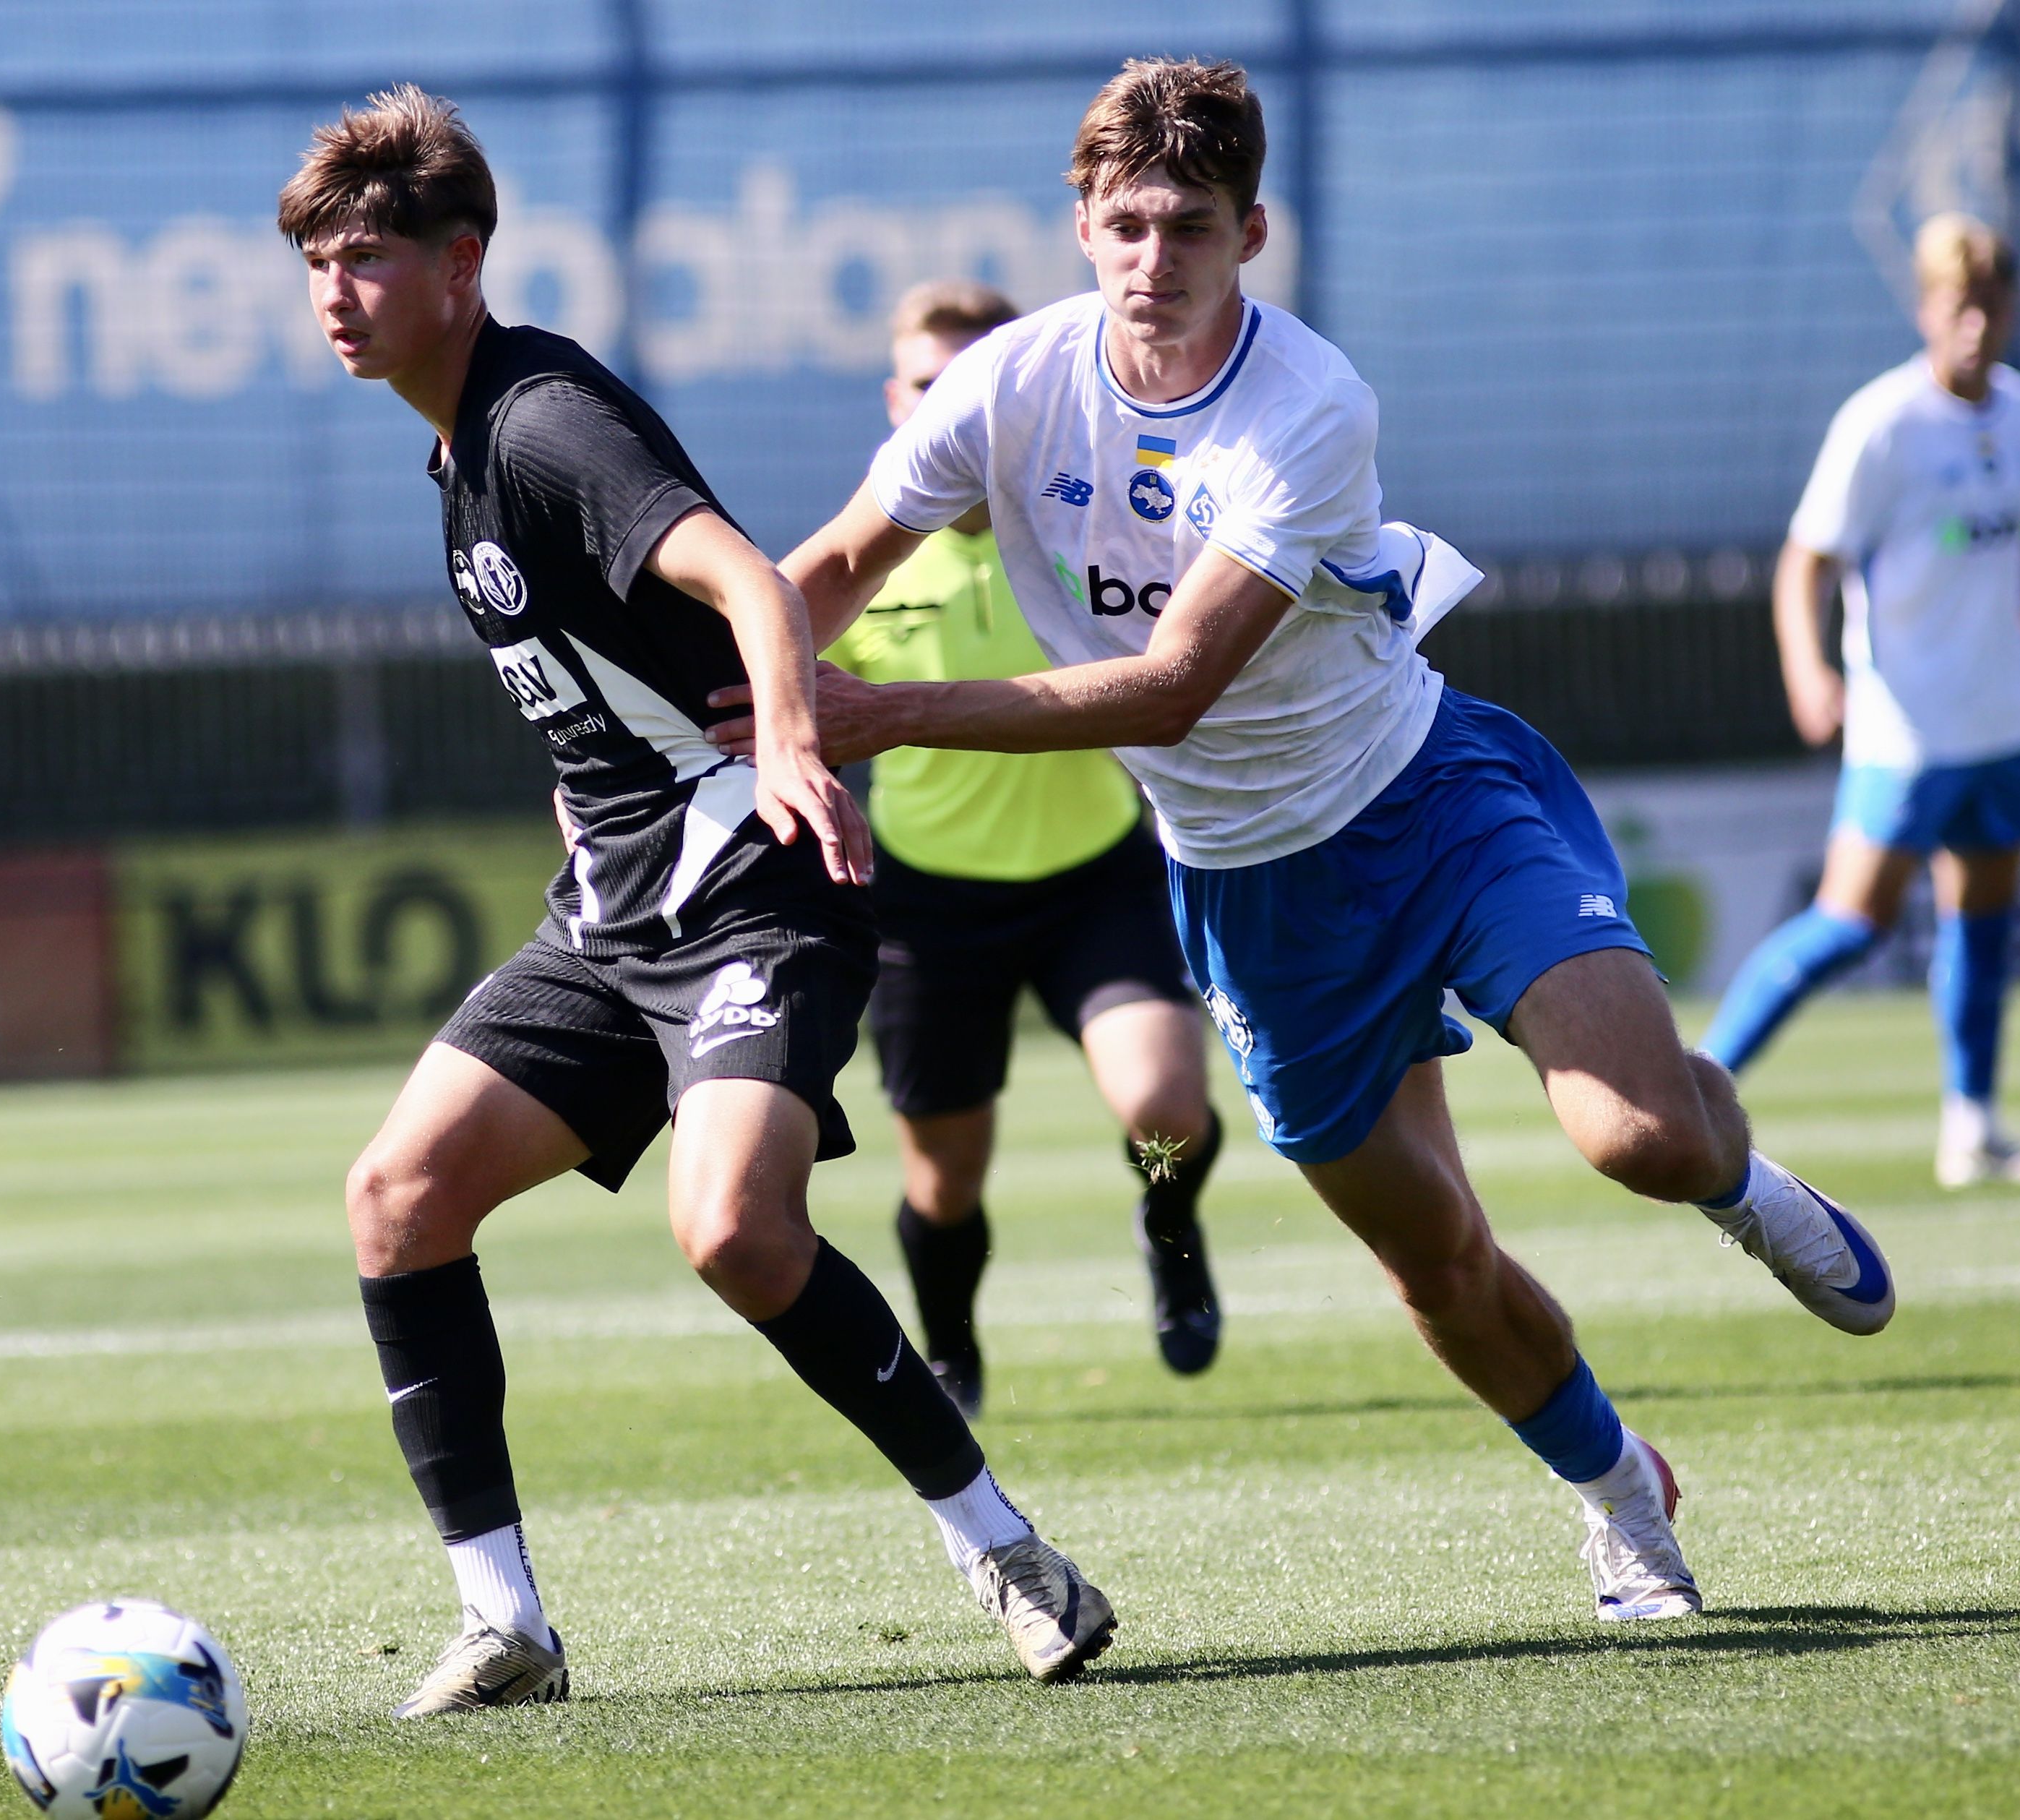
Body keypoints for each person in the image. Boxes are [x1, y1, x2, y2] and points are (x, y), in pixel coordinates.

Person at [721, 58, 1899, 1624]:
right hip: (1248, 890)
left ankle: (1741, 1179)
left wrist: (884, 715)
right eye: (1128, 223)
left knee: (1640, 1137)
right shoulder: (1003, 383)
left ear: (1251, 232)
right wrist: (685, 720)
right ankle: (1622, 1494)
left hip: (1429, 802)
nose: (1156, 260)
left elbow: (1177, 683)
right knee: (1436, 1264)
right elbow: (832, 567)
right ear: (1080, 223)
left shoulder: (1308, 401)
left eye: (1190, 227)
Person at [285, 86, 1115, 1715]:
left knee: (732, 1226)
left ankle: (1005, 1550)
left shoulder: (537, 423)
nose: (334, 289)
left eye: (368, 256)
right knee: (396, 1198)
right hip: (611, 921)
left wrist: (796, 748)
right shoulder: (459, 458)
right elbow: (593, 697)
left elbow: (744, 576)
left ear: (463, 264)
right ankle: (505, 1621)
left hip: (755, 895)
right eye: (316, 258)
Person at [822, 278, 1224, 1420]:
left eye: (970, 381)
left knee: (1164, 1111)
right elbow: (768, 687)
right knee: (943, 1183)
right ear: (894, 401)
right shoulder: (861, 562)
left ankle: (1167, 1215)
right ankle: (949, 1343)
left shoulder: (1082, 528)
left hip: (1094, 879)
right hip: (928, 907)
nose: (947, 401)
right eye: (924, 381)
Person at [1698, 215, 2020, 1190]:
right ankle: (1694, 1082)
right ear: (1928, 311)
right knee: (1849, 921)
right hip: (1905, 732)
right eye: (1956, 304)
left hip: (2000, 725)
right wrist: (1809, 671)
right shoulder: (1881, 425)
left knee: (1982, 925)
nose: (1974, 324)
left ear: (2010, 311)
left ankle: (1971, 1128)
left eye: (1990, 304)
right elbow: (1804, 562)